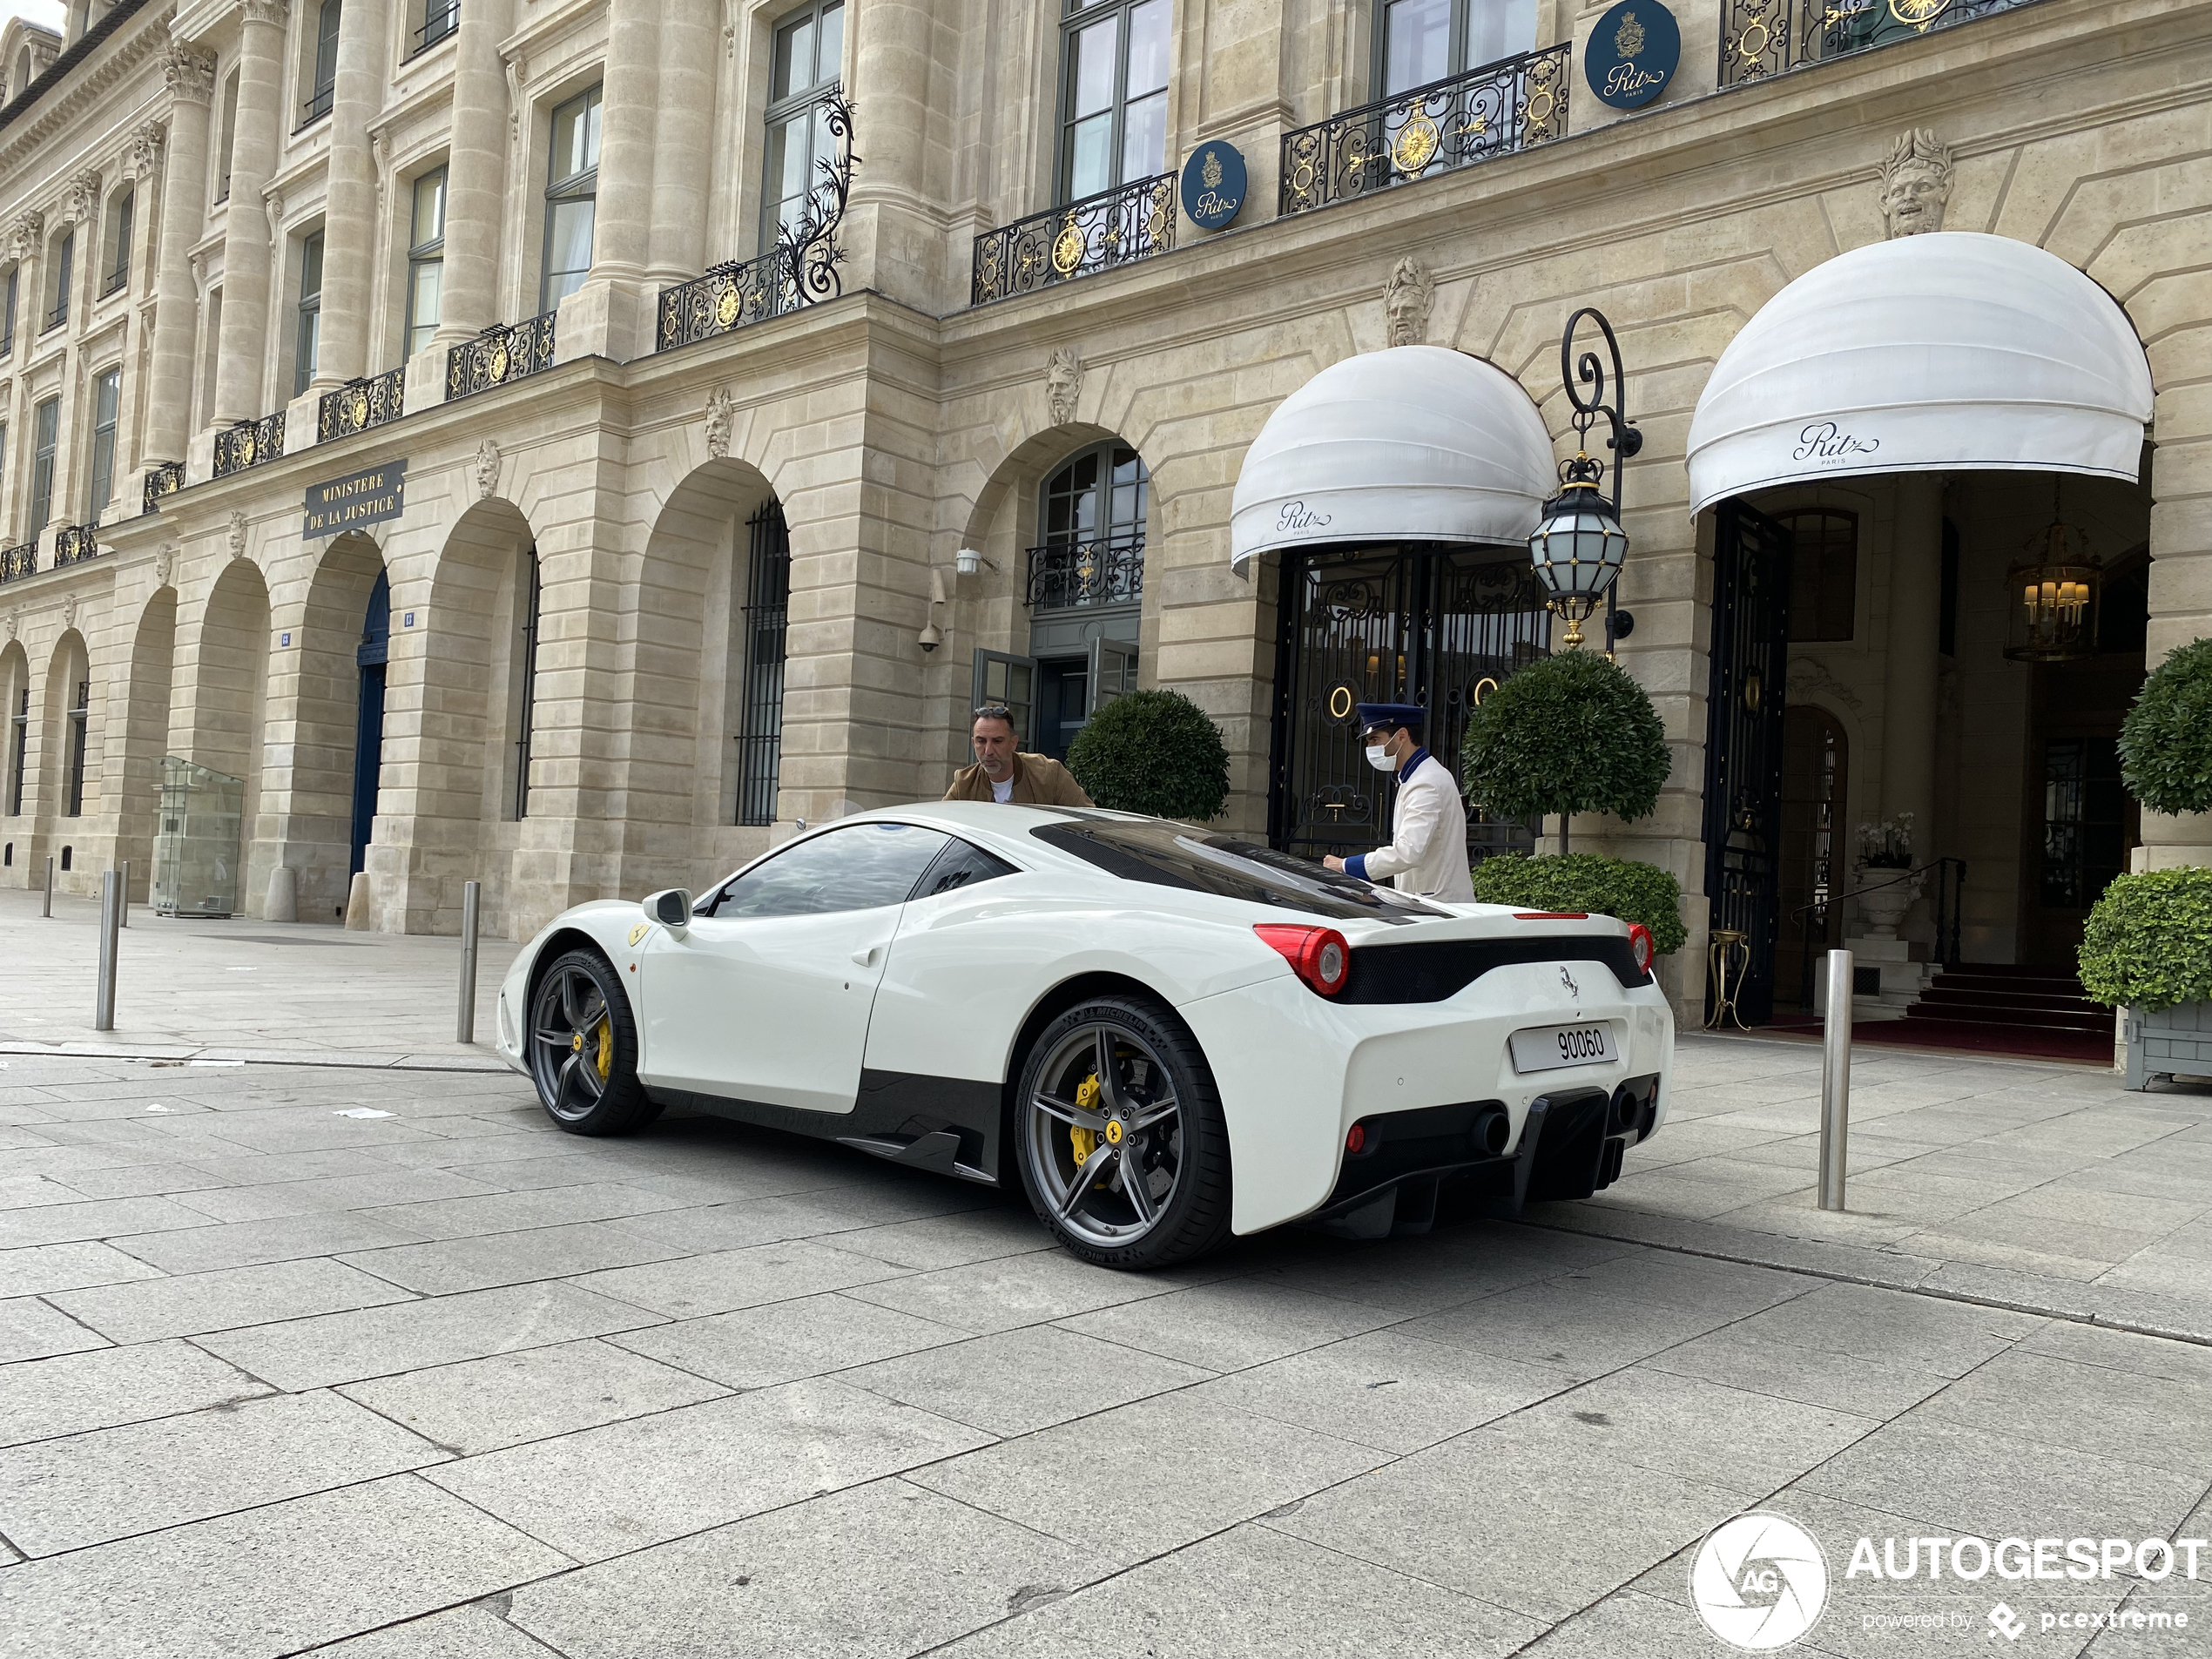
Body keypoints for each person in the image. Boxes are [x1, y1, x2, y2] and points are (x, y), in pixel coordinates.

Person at [1322, 702, 1475, 902]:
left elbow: (1407, 852)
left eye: (1375, 739)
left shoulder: (1425, 782)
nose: (1370, 748)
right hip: (1431, 904)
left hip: (1439, 907)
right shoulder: (1417, 777)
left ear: (1402, 736)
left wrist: (1345, 866)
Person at [944, 705, 1093, 806]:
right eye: (981, 741)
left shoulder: (1049, 774)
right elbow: (940, 828)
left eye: (997, 741)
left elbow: (1088, 820)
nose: (988, 751)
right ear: (973, 743)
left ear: (1013, 743)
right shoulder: (964, 784)